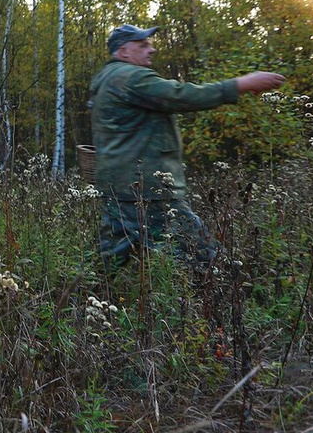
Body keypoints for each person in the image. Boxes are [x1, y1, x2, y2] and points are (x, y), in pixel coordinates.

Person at [89, 25, 285, 270]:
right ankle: (228, 300)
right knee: (211, 263)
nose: (152, 49)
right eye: (143, 45)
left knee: (103, 267)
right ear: (124, 51)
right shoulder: (131, 77)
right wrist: (239, 85)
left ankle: (74, 301)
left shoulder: (106, 79)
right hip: (148, 191)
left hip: (118, 189)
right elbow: (180, 95)